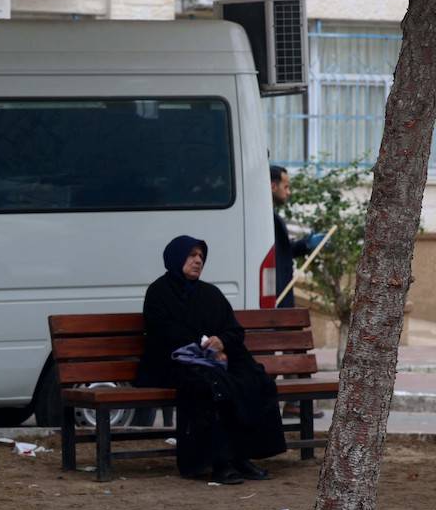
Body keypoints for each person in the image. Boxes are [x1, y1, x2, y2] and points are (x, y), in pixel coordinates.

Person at [136, 235, 286, 485]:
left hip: (212, 360)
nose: (198, 261)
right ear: (176, 257)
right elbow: (164, 333)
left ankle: (242, 456)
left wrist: (222, 342)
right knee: (214, 385)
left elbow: (234, 330)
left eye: (201, 257)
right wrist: (205, 347)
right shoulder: (159, 292)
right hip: (174, 363)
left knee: (254, 378)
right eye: (192, 255)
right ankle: (219, 461)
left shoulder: (210, 293)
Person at [271, 165, 325, 418]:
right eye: (286, 185)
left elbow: (282, 253)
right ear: (272, 186)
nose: (289, 191)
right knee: (290, 345)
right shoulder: (266, 218)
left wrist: (305, 245)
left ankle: (293, 403)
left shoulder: (271, 218)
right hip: (275, 297)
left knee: (293, 345)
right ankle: (292, 403)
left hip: (280, 295)